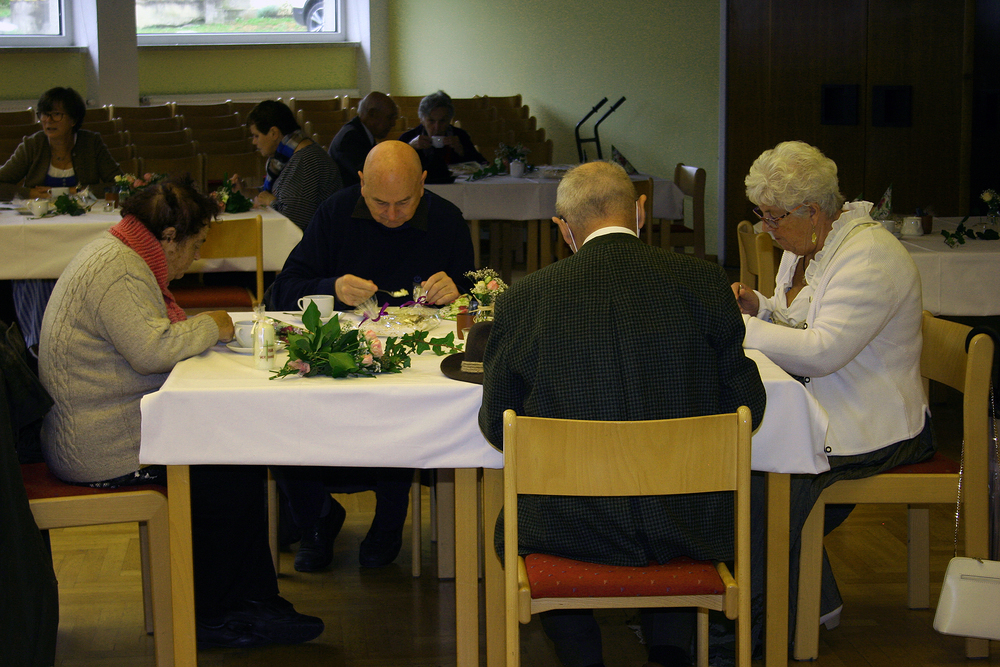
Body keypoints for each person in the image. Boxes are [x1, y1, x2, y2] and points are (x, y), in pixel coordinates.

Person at [479, 161, 767, 667]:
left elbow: (498, 424)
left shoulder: (524, 299)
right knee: (682, 498)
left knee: (525, 516)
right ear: (640, 211)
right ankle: (670, 652)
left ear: (563, 228)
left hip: (567, 527)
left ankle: (581, 655)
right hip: (687, 522)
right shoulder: (704, 282)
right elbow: (748, 406)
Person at [37, 176, 324, 649]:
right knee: (225, 473)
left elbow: (145, 338)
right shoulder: (120, 271)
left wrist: (201, 329)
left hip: (103, 426)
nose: (196, 257)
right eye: (195, 245)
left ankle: (250, 601)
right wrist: (210, 324)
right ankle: (215, 616)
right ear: (169, 237)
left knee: (233, 460)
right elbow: (150, 350)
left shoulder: (120, 254)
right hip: (98, 449)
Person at [732, 141, 932, 645]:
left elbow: (822, 351)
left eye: (774, 217)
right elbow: (799, 318)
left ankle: (761, 627)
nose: (766, 228)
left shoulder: (869, 257)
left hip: (873, 423)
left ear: (813, 211)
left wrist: (741, 328)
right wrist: (762, 307)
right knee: (742, 459)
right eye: (762, 215)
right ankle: (807, 601)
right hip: (830, 404)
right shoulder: (807, 245)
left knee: (761, 480)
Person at [269, 140, 474, 571]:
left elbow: (480, 303)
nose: (392, 214)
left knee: (404, 412)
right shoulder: (334, 212)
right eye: (380, 202)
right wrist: (330, 287)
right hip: (336, 358)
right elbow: (280, 292)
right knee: (280, 411)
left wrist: (459, 293)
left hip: (413, 364)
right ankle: (316, 518)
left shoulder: (447, 220)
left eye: (405, 202)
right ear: (361, 183)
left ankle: (389, 520)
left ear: (423, 183)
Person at [0, 87, 123, 351]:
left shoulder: (91, 143)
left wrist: (78, 192)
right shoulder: (33, 144)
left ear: (73, 119)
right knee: (33, 270)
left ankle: (83, 338)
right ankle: (37, 341)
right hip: (39, 234)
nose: (47, 121)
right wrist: (28, 192)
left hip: (82, 235)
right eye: (44, 115)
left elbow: (118, 183)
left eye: (56, 114)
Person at [247, 99, 342, 231]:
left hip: (317, 239)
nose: (254, 142)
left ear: (274, 133)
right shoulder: (286, 156)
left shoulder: (306, 160)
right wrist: (245, 191)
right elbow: (276, 193)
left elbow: (293, 221)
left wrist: (270, 202)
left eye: (256, 136)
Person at [398, 90, 486, 182]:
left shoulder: (459, 136)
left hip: (455, 185)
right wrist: (410, 148)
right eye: (431, 121)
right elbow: (393, 166)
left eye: (442, 121)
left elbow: (482, 164)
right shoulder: (409, 137)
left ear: (449, 120)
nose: (437, 127)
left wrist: (462, 151)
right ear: (422, 120)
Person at [328, 91, 399, 187]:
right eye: (389, 118)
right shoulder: (350, 137)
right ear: (372, 114)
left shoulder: (360, 133)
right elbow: (368, 175)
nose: (393, 123)